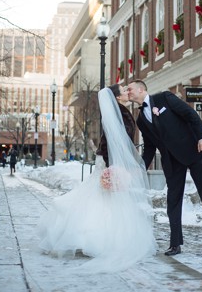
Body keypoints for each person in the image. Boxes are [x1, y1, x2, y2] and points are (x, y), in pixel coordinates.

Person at [36, 85, 156, 273]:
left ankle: (91, 235)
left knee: (100, 197)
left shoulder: (119, 111)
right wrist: (113, 167)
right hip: (109, 161)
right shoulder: (121, 114)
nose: (127, 91)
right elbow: (113, 142)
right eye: (124, 90)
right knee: (103, 197)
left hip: (107, 160)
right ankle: (96, 238)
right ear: (117, 98)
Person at [127, 80, 202, 259]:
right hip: (171, 161)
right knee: (173, 201)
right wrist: (141, 167)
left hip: (193, 150)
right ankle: (175, 244)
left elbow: (190, 114)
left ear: (141, 89)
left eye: (130, 89)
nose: (128, 92)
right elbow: (150, 147)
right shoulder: (141, 120)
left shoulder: (165, 98)